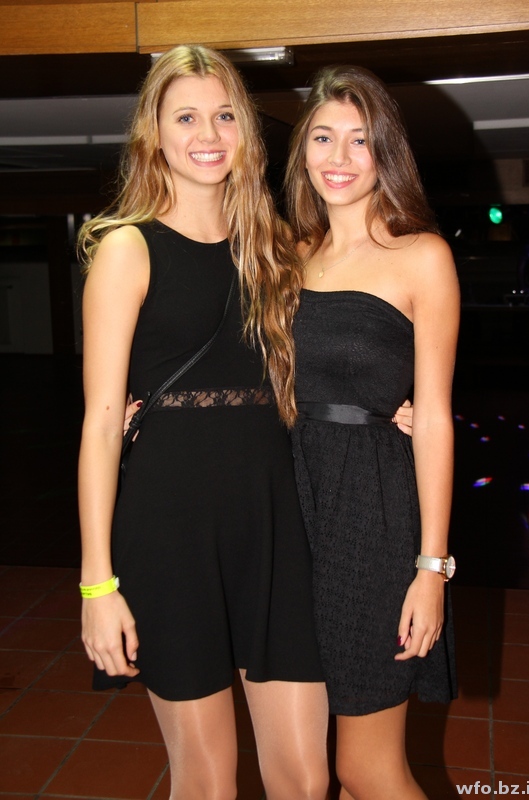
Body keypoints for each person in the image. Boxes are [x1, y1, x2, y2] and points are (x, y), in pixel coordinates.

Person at [77, 44, 331, 800]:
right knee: (209, 781)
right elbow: (100, 425)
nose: (208, 134)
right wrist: (97, 586)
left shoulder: (276, 247)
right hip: (168, 528)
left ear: (246, 130)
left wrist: (391, 409)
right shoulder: (126, 248)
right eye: (186, 117)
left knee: (304, 777)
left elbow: (326, 363)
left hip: (273, 524)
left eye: (224, 115)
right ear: (153, 132)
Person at [284, 65, 459, 799]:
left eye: (360, 139)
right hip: (289, 507)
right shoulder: (287, 255)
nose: (339, 156)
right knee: (307, 764)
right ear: (302, 150)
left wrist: (431, 568)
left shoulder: (421, 255)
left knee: (365, 766)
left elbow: (435, 416)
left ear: (385, 152)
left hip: (373, 517)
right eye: (323, 136)